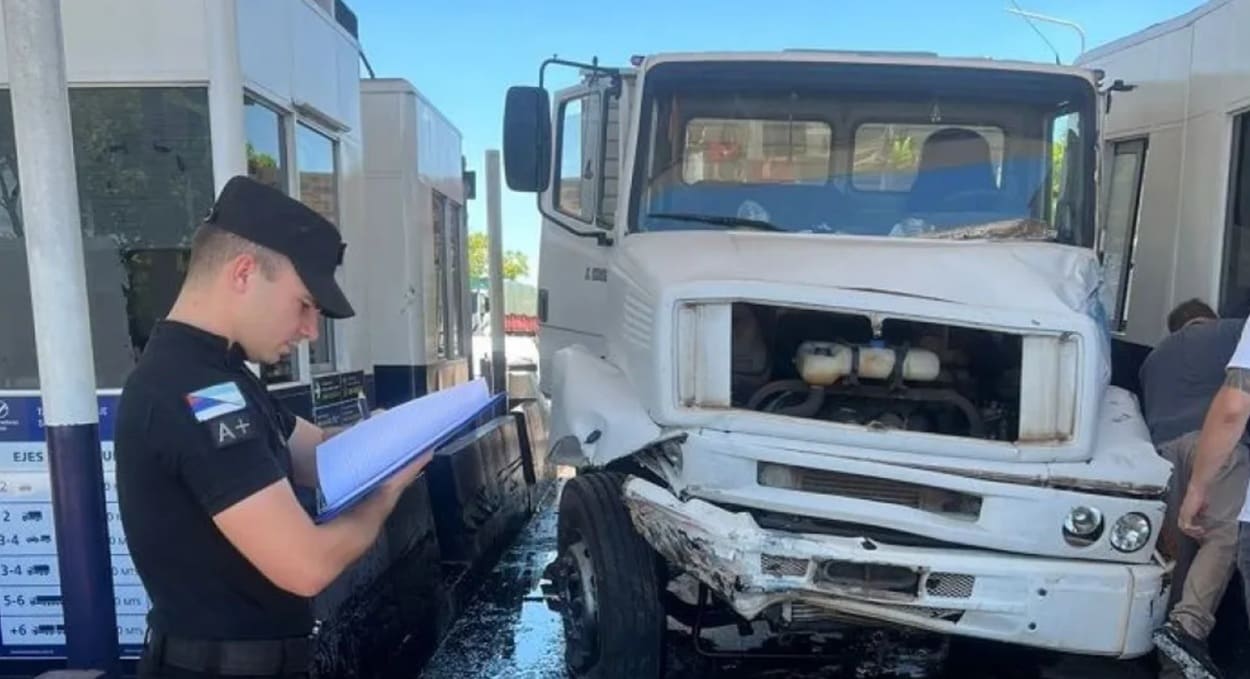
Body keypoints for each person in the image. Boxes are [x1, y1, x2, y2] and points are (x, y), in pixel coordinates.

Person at [114, 175, 427, 678]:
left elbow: (318, 454)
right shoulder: (189, 389)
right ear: (243, 273)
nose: (310, 330)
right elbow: (307, 565)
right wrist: (385, 493)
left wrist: (388, 436)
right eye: (303, 304)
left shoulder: (224, 376)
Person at [1139, 299, 1248, 678]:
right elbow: (1236, 401)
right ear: (1210, 318)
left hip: (1161, 455)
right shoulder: (1230, 331)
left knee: (1178, 558)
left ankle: (1174, 666)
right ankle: (1188, 627)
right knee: (1225, 535)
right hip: (1214, 449)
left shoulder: (1152, 360)